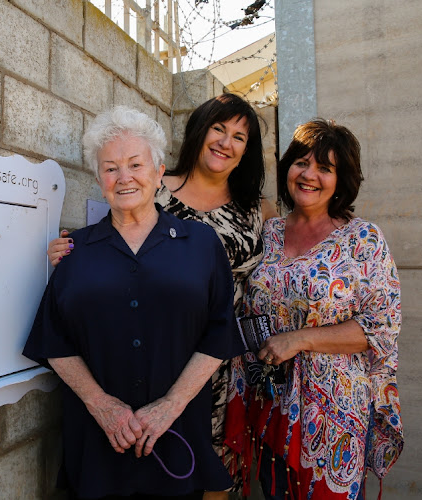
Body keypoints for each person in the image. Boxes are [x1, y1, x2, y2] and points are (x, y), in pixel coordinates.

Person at [47, 94, 279, 499]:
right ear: (98, 177)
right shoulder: (77, 248)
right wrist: (103, 406)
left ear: (157, 172)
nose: (124, 177)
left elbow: (221, 326)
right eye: (110, 168)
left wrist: (170, 406)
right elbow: (53, 336)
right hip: (98, 436)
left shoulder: (208, 238)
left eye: (135, 165)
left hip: (196, 396)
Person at [225, 119, 404, 499]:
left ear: (343, 179)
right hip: (270, 400)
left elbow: (380, 327)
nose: (309, 175)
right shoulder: (267, 231)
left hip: (334, 413)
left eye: (325, 168)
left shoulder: (363, 240)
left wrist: (299, 340)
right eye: (301, 163)